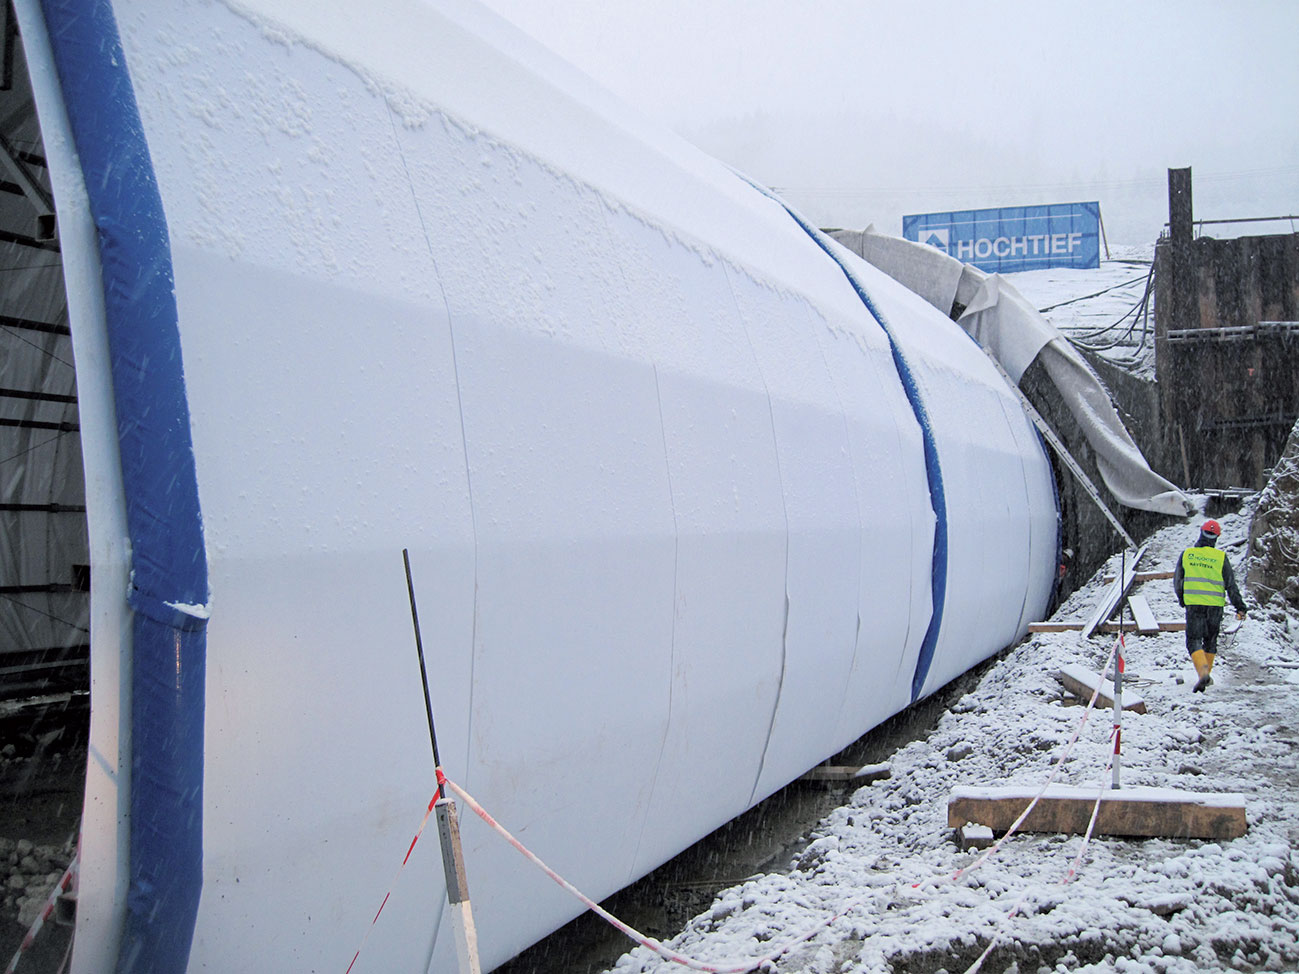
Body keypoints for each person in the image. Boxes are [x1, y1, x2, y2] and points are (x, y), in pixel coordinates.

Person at [1173, 519, 1247, 692]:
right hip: (1215, 606)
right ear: (1216, 537)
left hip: (1195, 605)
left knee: (1193, 641)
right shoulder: (1220, 557)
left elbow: (1178, 581)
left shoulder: (1187, 554)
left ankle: (1203, 674)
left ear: (1201, 532)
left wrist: (1182, 599)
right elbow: (1231, 585)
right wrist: (1240, 607)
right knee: (1210, 641)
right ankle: (1205, 675)